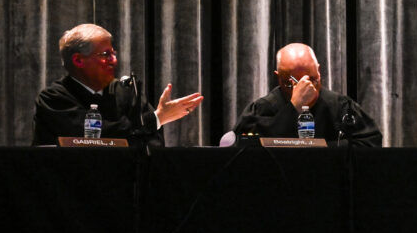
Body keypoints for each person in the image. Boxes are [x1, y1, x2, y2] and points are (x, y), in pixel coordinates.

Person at [33, 24, 203, 146]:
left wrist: (153, 122)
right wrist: (156, 119)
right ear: (78, 60)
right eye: (105, 54)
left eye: (113, 53)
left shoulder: (127, 92)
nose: (114, 60)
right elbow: (92, 138)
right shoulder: (53, 98)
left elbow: (152, 142)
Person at [233, 43, 382, 147]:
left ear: (318, 70)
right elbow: (243, 147)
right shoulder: (263, 108)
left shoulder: (340, 106)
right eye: (292, 83)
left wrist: (320, 149)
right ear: (278, 77)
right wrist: (294, 107)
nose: (305, 88)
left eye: (311, 79)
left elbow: (370, 143)